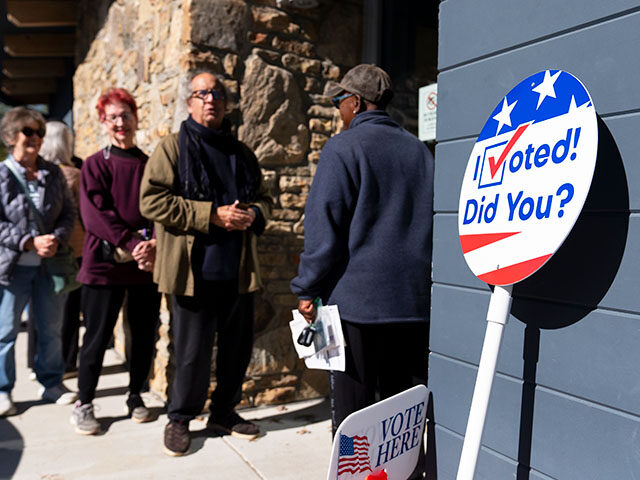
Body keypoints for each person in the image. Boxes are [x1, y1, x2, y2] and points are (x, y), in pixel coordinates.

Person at [290, 65, 434, 437]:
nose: (339, 110)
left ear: (355, 102)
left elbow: (324, 227)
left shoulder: (343, 148)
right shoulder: (420, 152)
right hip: (412, 306)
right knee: (400, 420)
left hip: (358, 309)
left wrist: (307, 288)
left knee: (354, 423)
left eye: (340, 101)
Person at [140, 72, 272, 456]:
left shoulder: (241, 153)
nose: (210, 99)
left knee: (237, 349)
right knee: (192, 353)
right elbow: (151, 202)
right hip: (192, 273)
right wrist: (210, 216)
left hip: (238, 271)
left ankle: (224, 412)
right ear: (190, 102)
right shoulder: (172, 148)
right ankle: (180, 418)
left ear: (226, 103)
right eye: (202, 93)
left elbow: (265, 200)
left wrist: (254, 215)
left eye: (217, 93)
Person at [71, 88, 160, 435]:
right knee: (96, 336)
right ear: (103, 123)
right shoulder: (94, 164)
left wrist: (150, 244)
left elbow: (158, 208)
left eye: (125, 114)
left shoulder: (149, 164)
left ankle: (135, 395)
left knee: (142, 335)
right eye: (113, 117)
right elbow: (95, 214)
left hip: (144, 266)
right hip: (104, 266)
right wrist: (132, 241)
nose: (120, 122)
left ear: (136, 117)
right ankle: (85, 402)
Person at [0, 107, 78, 417]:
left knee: (51, 328)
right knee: (5, 331)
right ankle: (3, 390)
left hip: (50, 264)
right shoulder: (2, 174)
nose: (36, 138)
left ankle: (51, 383)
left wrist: (55, 238)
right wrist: (27, 242)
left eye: (40, 133)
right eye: (29, 132)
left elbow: (69, 213)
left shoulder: (52, 172)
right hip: (11, 267)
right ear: (10, 136)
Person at [39, 120, 85, 378]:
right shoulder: (73, 174)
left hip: (41, 247)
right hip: (73, 249)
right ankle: (67, 362)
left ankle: (37, 361)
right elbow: (81, 215)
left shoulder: (38, 173)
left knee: (40, 308)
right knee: (68, 309)